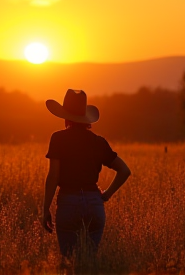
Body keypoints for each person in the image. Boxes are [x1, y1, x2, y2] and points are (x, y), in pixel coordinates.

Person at [42, 89, 131, 265]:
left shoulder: (58, 138)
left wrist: (45, 209)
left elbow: (53, 176)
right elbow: (124, 171)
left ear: (65, 116)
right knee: (89, 263)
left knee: (68, 262)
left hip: (68, 202)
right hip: (94, 204)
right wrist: (106, 194)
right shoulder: (98, 142)